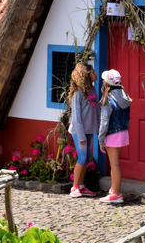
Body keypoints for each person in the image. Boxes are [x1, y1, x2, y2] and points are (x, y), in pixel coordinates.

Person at [98, 69, 132, 204]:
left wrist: (101, 140)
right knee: (115, 163)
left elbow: (104, 122)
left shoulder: (108, 99)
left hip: (112, 134)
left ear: (107, 83)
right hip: (123, 132)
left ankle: (117, 194)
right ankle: (113, 190)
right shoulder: (125, 97)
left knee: (114, 165)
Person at [67, 62, 100, 198]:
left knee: (86, 158)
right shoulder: (78, 93)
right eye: (93, 72)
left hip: (89, 130)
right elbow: (76, 117)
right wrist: (81, 137)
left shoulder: (92, 90)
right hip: (79, 131)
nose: (96, 73)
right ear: (86, 75)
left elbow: (96, 109)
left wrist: (99, 128)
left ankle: (81, 186)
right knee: (81, 158)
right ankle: (74, 187)